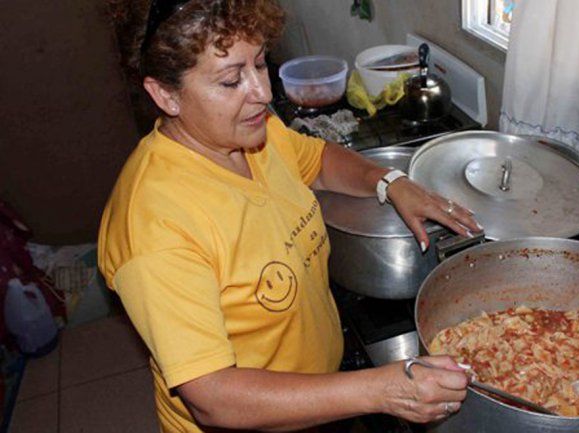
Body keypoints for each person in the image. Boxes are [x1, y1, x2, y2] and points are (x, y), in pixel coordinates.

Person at [99, 1, 483, 432]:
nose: (262, 93)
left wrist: (391, 182)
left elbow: (318, 160)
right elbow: (213, 396)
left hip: (319, 396)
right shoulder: (155, 225)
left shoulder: (251, 134)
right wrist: (379, 390)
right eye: (230, 81)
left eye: (260, 64)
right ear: (165, 95)